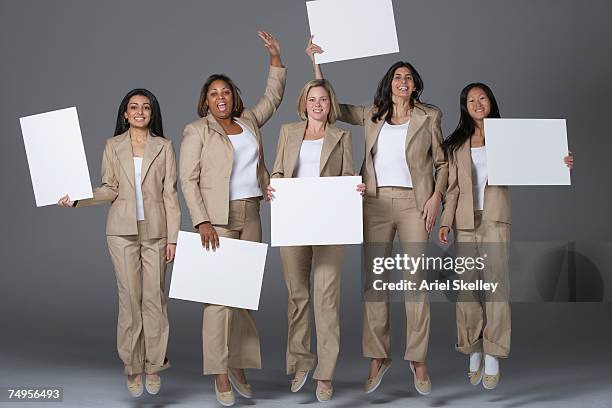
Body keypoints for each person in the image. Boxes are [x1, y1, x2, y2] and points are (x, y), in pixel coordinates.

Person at [306, 38, 448, 395]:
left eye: (409, 77)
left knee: (415, 283)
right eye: (397, 76)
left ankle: (418, 360)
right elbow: (332, 107)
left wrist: (436, 197)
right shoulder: (373, 114)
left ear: (415, 85)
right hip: (374, 203)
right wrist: (316, 65)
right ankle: (378, 357)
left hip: (416, 204)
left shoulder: (430, 116)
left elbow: (443, 163)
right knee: (377, 283)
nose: (403, 81)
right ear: (389, 83)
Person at [438, 82, 574, 389]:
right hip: (463, 221)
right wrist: (445, 222)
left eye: (481, 97)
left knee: (497, 288)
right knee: (467, 288)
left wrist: (560, 162)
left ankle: (494, 352)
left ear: (490, 101)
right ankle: (473, 346)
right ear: (465, 106)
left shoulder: (509, 136)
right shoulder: (456, 144)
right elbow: (453, 188)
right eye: (470, 99)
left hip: (495, 219)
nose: (477, 103)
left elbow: (536, 162)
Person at [179, 31, 286, 407]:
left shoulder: (249, 122)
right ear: (205, 101)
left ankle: (239, 364)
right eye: (213, 94)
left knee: (242, 296)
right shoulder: (197, 131)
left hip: (252, 212)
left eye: (225, 92)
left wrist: (275, 58)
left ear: (233, 97)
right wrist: (201, 221)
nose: (220, 98)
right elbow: (187, 179)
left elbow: (273, 99)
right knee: (217, 299)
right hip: (217, 221)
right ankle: (220, 373)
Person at [58, 88, 180, 397]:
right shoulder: (112, 146)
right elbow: (109, 188)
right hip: (121, 231)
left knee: (154, 298)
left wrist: (174, 239)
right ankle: (132, 367)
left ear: (152, 114)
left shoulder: (164, 147)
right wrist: (77, 199)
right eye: (133, 107)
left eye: (146, 107)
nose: (140, 111)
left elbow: (170, 195)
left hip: (156, 231)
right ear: (124, 114)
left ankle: (154, 365)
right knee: (129, 298)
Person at [267, 78, 361, 402]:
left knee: (326, 297)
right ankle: (301, 360)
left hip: (331, 222)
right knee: (297, 294)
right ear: (303, 103)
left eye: (323, 99)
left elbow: (348, 173)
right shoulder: (288, 132)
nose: (317, 105)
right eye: (312, 99)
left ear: (330, 104)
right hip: (292, 220)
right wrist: (273, 186)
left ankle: (325, 373)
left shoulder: (342, 135)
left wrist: (354, 185)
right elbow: (278, 172)